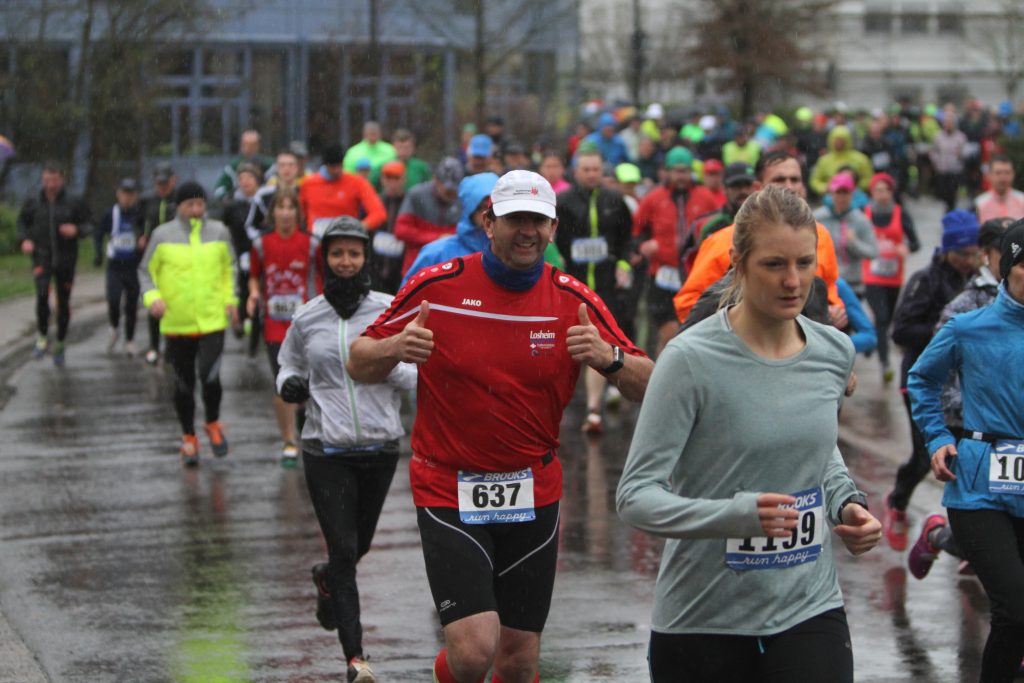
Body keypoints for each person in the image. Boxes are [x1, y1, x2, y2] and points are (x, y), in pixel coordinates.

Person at [346, 170, 654, 683]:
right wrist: (395, 347)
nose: (527, 231)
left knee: (518, 659)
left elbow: (652, 382)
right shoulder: (439, 286)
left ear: (553, 229)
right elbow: (358, 360)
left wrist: (611, 358)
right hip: (448, 486)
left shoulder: (571, 299)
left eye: (538, 220)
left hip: (533, 489)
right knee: (473, 653)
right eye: (515, 219)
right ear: (489, 223)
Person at [616, 184, 881, 683]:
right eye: (774, 264)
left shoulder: (833, 351)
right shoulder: (689, 359)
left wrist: (846, 503)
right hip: (703, 617)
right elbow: (635, 498)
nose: (793, 281)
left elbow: (817, 448)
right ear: (738, 263)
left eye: (804, 263)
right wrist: (733, 516)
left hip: (809, 606)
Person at [276, 217, 414, 683]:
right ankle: (356, 659)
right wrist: (289, 384)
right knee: (343, 548)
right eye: (337, 253)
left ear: (366, 257)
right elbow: (287, 365)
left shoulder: (389, 309)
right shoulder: (307, 316)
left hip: (380, 446)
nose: (346, 262)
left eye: (354, 253)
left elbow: (413, 370)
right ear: (325, 259)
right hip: (325, 449)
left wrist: (390, 364)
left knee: (358, 546)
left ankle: (327, 578)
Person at [907, 221, 1024, 682]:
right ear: (1008, 267)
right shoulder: (968, 327)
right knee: (1015, 609)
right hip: (980, 488)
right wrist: (938, 438)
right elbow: (922, 379)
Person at [883, 209, 980, 550]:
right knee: (927, 457)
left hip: (961, 387)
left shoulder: (978, 282)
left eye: (974, 253)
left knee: (965, 458)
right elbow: (901, 331)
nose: (969, 260)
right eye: (963, 253)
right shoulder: (926, 280)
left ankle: (965, 536)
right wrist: (948, 332)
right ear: (948, 249)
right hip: (922, 381)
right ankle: (897, 502)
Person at [673, 151, 845, 328]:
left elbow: (829, 286)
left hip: (806, 342)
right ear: (758, 187)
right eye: (779, 180)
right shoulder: (723, 241)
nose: (789, 186)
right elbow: (689, 304)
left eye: (795, 180)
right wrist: (731, 331)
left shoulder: (821, 236)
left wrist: (834, 309)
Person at [139, 181, 238, 465]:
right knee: (183, 385)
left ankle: (213, 423)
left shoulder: (219, 231)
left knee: (210, 376)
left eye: (200, 204)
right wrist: (153, 298)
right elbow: (145, 271)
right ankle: (188, 438)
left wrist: (231, 300)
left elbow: (229, 267)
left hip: (212, 320)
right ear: (179, 206)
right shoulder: (162, 235)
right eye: (190, 205)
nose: (196, 210)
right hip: (176, 322)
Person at [554, 149, 636, 434]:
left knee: (598, 340)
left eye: (596, 170)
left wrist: (622, 264)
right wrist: (558, 266)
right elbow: (553, 239)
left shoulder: (615, 201)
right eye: (586, 169)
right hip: (571, 285)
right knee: (564, 346)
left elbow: (627, 239)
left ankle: (593, 410)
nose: (591, 175)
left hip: (605, 285)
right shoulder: (564, 202)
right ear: (576, 172)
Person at [248, 191, 320, 464]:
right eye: (281, 207)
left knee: (308, 381)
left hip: (307, 324)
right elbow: (253, 276)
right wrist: (254, 294)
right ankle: (289, 440)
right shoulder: (261, 244)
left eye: (291, 208)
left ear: (298, 214)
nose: (286, 213)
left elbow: (323, 277)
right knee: (282, 380)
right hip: (274, 324)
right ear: (273, 213)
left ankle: (307, 426)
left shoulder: (312, 244)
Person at [632, 147, 722, 354]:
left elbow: (719, 228)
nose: (681, 176)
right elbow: (636, 231)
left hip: (696, 274)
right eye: (677, 171)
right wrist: (642, 246)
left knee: (693, 333)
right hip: (663, 274)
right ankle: (664, 370)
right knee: (669, 334)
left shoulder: (705, 197)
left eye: (685, 171)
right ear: (668, 172)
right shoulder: (654, 198)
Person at [16, 161, 92, 367]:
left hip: (66, 258)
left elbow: (89, 224)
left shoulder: (74, 200)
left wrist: (76, 230)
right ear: (42, 179)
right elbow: (22, 223)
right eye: (47, 180)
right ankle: (42, 337)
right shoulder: (33, 200)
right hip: (41, 257)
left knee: (63, 301)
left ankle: (60, 341)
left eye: (54, 180)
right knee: (42, 295)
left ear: (61, 179)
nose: (50, 185)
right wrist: (25, 240)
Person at [862, 172, 920, 383]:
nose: (882, 194)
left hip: (894, 277)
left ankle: (873, 341)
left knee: (887, 321)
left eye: (886, 190)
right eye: (878, 190)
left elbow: (916, 243)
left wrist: (906, 248)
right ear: (872, 192)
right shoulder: (864, 213)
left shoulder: (900, 213)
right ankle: (884, 362)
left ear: (892, 192)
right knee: (882, 317)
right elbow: (850, 238)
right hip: (870, 276)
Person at [402, 172, 499, 285]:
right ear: (470, 209)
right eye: (483, 207)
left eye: (495, 208)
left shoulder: (509, 256)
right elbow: (408, 292)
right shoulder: (437, 253)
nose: (489, 214)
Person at [94, 177, 144, 356]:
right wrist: (98, 254)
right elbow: (98, 234)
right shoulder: (111, 214)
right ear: (118, 194)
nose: (127, 198)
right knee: (113, 300)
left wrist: (143, 241)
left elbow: (148, 232)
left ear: (136, 196)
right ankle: (114, 327)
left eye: (131, 194)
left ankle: (129, 340)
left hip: (133, 266)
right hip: (115, 265)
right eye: (124, 194)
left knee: (132, 304)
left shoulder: (140, 214)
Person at [392, 157, 463, 275]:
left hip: (449, 268)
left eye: (455, 189)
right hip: (417, 266)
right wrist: (436, 238)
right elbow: (401, 230)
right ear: (436, 180)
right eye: (448, 189)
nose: (452, 193)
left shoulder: (463, 197)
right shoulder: (416, 195)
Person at [813, 172, 878, 297]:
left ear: (852, 194)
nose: (842, 197)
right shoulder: (818, 217)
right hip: (824, 284)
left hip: (852, 284)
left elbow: (873, 252)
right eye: (838, 192)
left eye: (846, 193)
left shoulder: (861, 220)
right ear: (831, 193)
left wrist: (854, 243)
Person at [300, 143, 386, 236]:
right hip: (315, 239)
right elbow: (300, 214)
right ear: (325, 165)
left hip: (345, 239)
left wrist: (358, 227)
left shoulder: (357, 183)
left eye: (339, 165)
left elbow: (378, 213)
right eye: (333, 167)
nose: (337, 170)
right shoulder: (309, 184)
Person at [139, 162, 177, 365]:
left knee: (173, 303)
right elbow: (137, 222)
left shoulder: (179, 201)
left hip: (175, 259)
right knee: (155, 303)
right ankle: (154, 346)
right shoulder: (147, 201)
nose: (162, 187)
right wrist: (140, 236)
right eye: (159, 183)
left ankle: (171, 345)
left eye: (166, 182)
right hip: (154, 259)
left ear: (173, 180)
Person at [370, 160, 409, 294]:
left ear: (404, 180)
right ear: (382, 179)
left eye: (396, 178)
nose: (392, 183)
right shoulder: (374, 201)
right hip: (375, 268)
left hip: (400, 269)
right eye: (388, 178)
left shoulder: (410, 203)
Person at [697, 161, 758, 243]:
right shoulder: (712, 227)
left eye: (747, 185)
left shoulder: (765, 223)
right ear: (724, 189)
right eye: (736, 186)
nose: (743, 191)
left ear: (757, 187)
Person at [809, 125, 874, 197]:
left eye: (842, 140)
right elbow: (815, 180)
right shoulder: (824, 160)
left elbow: (870, 178)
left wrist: (855, 187)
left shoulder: (860, 159)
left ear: (848, 140)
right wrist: (825, 188)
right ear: (831, 140)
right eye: (836, 140)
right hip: (830, 198)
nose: (839, 143)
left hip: (856, 198)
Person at [214, 129, 272, 204]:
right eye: (245, 144)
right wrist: (227, 199)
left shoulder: (269, 165)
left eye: (252, 145)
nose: (248, 148)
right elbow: (219, 190)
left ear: (258, 146)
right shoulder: (233, 166)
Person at [930, 113, 968, 212]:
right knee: (943, 192)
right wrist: (936, 161)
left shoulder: (961, 137)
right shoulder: (938, 136)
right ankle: (946, 206)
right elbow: (933, 151)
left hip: (955, 170)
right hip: (942, 169)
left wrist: (960, 154)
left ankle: (951, 208)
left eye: (950, 123)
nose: (948, 125)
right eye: (946, 123)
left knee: (952, 192)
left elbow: (965, 151)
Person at [975, 155, 1024, 223]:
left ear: (1013, 174)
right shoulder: (979, 204)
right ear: (989, 175)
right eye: (998, 173)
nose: (1003, 177)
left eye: (1007, 173)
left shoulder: (1022, 200)